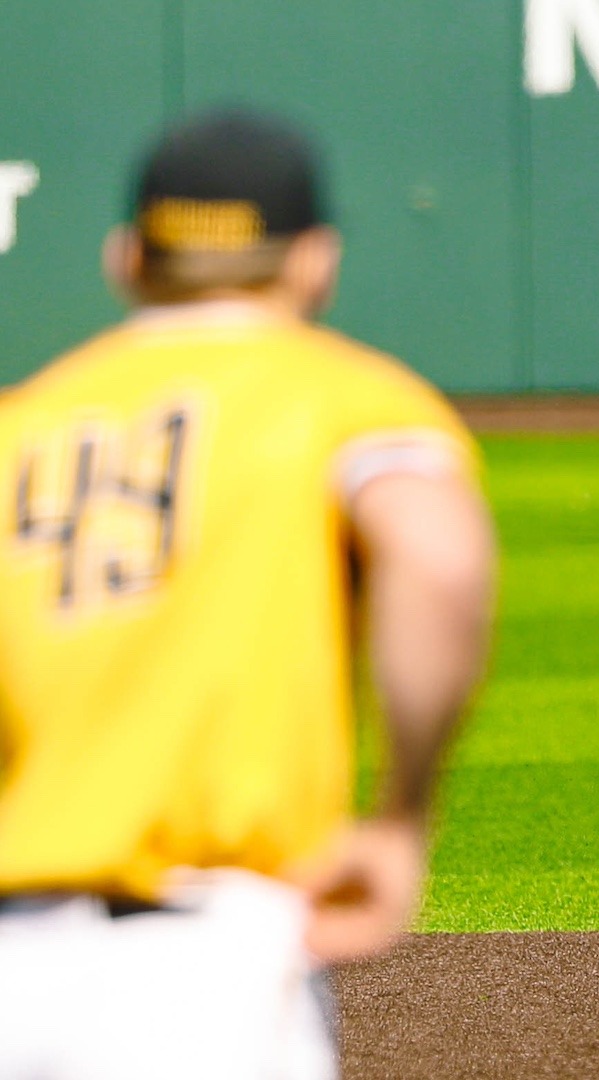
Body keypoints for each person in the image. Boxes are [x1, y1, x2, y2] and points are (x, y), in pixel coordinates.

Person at [0, 110, 496, 1076]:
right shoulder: (343, 394)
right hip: (202, 969)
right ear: (314, 261)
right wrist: (401, 816)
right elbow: (439, 558)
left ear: (127, 257)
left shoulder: (23, 421)